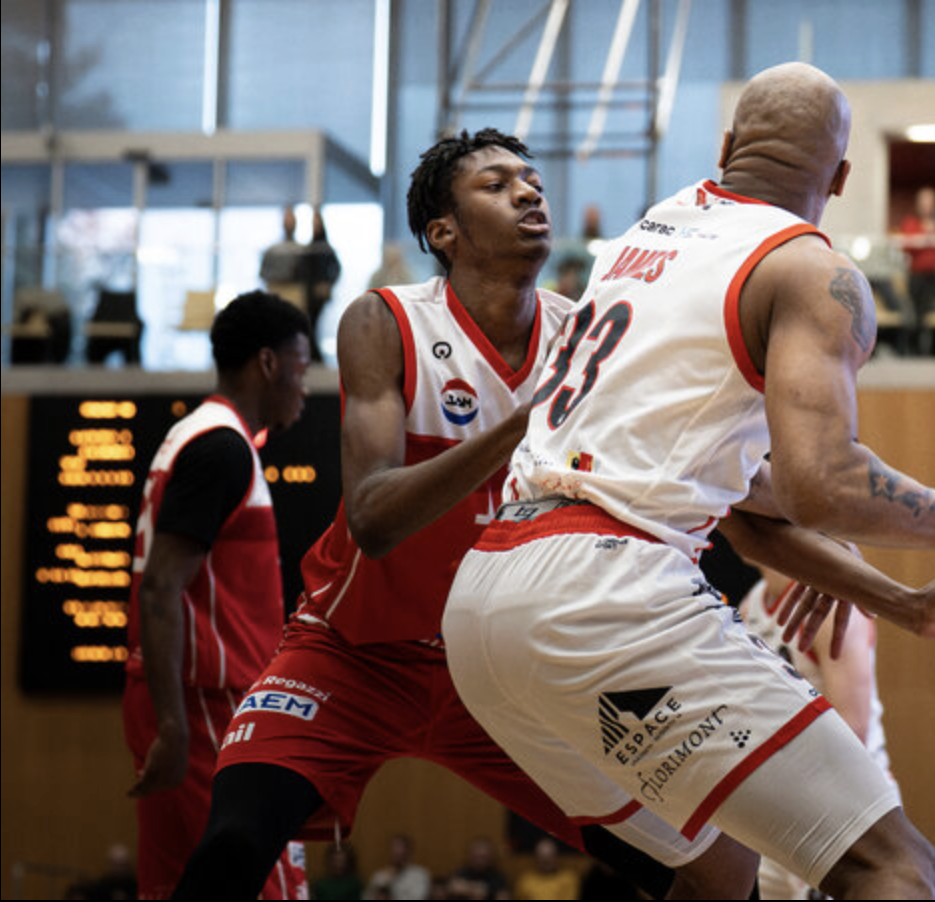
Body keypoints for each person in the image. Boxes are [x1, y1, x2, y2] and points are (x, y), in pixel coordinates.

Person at [442, 61, 935, 901]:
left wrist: (907, 606)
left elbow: (746, 503)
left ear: (727, 147)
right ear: (841, 178)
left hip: (484, 608)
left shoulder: (644, 238)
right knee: (896, 868)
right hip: (605, 592)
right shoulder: (810, 270)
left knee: (720, 868)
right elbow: (823, 485)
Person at [171, 129, 740, 900]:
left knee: (707, 868)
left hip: (510, 670)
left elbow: (693, 475)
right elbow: (373, 518)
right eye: (497, 185)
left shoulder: (588, 335)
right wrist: (526, 422)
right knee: (232, 846)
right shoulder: (384, 320)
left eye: (533, 181)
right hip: (354, 656)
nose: (529, 192)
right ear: (443, 232)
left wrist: (827, 543)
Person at [123, 290, 311, 900]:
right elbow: (161, 587)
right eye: (302, 366)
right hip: (206, 705)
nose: (306, 386)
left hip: (184, 700)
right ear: (268, 363)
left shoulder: (201, 437)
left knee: (176, 887)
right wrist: (175, 726)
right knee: (269, 886)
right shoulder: (220, 447)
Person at [737, 563, 894, 901]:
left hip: (843, 806)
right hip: (780, 808)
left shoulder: (831, 605)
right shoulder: (751, 605)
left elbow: (853, 730)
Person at [897, 185, 935, 355]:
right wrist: (926, 239)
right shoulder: (911, 223)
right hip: (918, 277)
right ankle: (916, 350)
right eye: (923, 201)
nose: (926, 205)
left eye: (929, 201)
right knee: (918, 312)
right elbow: (907, 247)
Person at [302, 207, 341, 361]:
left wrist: (327, 284)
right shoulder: (311, 247)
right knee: (310, 323)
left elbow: (336, 268)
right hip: (309, 293)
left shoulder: (324, 248)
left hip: (320, 294)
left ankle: (316, 356)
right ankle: (314, 355)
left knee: (313, 323)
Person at [364, 833, 432, 901]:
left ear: (409, 852)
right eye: (394, 847)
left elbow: (419, 898)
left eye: (400, 847)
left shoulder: (420, 875)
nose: (396, 851)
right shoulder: (379, 876)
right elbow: (367, 897)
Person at [513, 837, 582, 900]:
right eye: (543, 857)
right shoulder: (526, 880)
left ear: (556, 856)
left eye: (549, 856)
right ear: (536, 858)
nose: (546, 861)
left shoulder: (568, 878)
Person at [260, 206, 307, 295]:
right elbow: (263, 274)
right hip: (276, 292)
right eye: (287, 219)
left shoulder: (303, 251)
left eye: (291, 219)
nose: (289, 223)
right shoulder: (272, 251)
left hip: (296, 293)